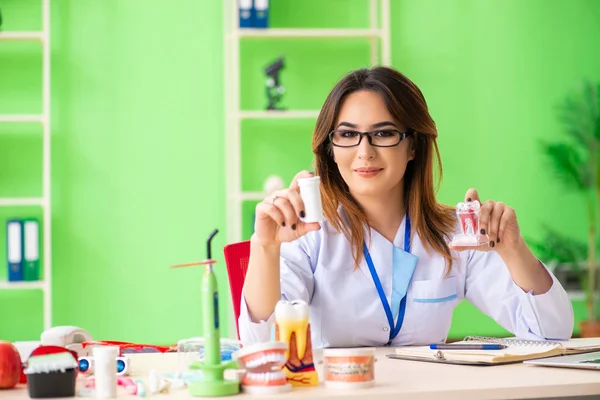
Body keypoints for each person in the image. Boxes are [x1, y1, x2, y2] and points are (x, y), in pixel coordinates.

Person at [238, 66, 574, 348]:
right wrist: (265, 247)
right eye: (347, 134)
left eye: (383, 133)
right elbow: (264, 346)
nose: (364, 151)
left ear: (412, 146)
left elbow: (551, 332)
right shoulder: (308, 234)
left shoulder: (456, 234)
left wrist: (513, 249)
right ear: (330, 148)